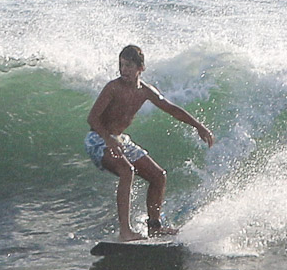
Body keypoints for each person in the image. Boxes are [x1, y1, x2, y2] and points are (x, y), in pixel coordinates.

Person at [86, 44, 214, 240]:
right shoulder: (113, 88)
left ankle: (154, 226)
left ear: (141, 68)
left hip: (120, 140)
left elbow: (171, 108)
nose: (124, 70)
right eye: (121, 65)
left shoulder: (145, 91)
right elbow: (93, 119)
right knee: (126, 171)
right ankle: (125, 231)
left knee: (158, 176)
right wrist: (108, 141)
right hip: (98, 139)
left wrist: (198, 126)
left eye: (129, 66)